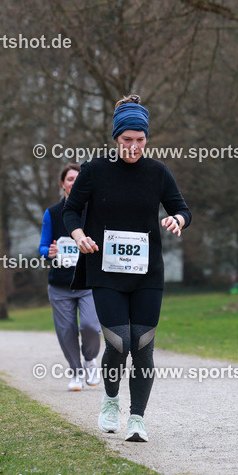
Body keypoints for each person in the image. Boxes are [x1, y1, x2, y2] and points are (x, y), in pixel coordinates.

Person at [64, 95, 191, 442]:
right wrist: (78, 236)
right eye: (126, 141)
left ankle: (137, 418)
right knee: (119, 343)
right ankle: (110, 401)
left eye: (139, 140)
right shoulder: (94, 170)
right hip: (106, 272)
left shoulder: (157, 172)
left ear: (146, 139)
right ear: (116, 138)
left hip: (148, 273)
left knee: (143, 343)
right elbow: (70, 210)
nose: (133, 147)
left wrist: (177, 220)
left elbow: (182, 208)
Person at [39, 163, 102, 391]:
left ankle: (90, 360)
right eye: (69, 179)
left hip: (88, 282)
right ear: (62, 184)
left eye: (78, 179)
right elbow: (43, 247)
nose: (73, 183)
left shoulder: (93, 210)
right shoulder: (52, 213)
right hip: (60, 285)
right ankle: (76, 372)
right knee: (66, 332)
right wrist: (49, 252)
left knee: (90, 327)